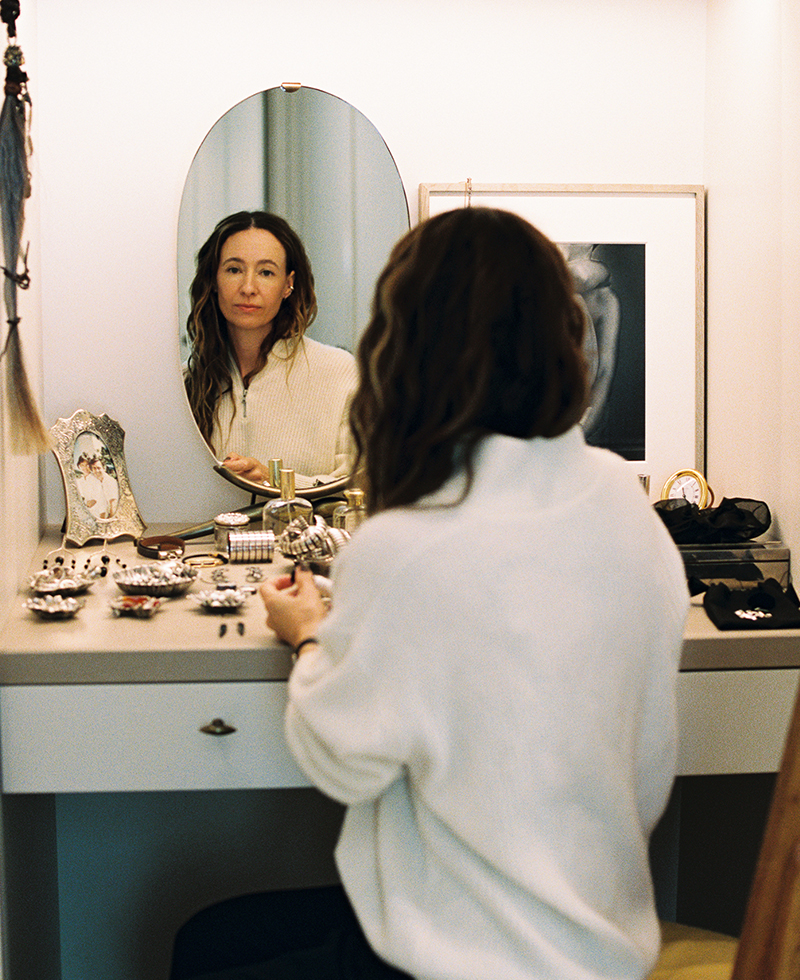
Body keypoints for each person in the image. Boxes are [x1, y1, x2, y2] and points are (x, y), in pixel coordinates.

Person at [173, 208, 689, 980]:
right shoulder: (631, 512)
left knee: (204, 947)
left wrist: (310, 636)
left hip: (457, 957)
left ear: (404, 348)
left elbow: (344, 764)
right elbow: (649, 772)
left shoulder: (411, 543)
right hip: (600, 943)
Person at [184, 211, 358, 488]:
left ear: (288, 284)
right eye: (234, 270)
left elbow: (357, 487)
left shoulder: (340, 371)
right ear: (213, 280)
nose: (248, 287)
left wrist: (273, 480)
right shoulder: (185, 383)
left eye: (266, 272)